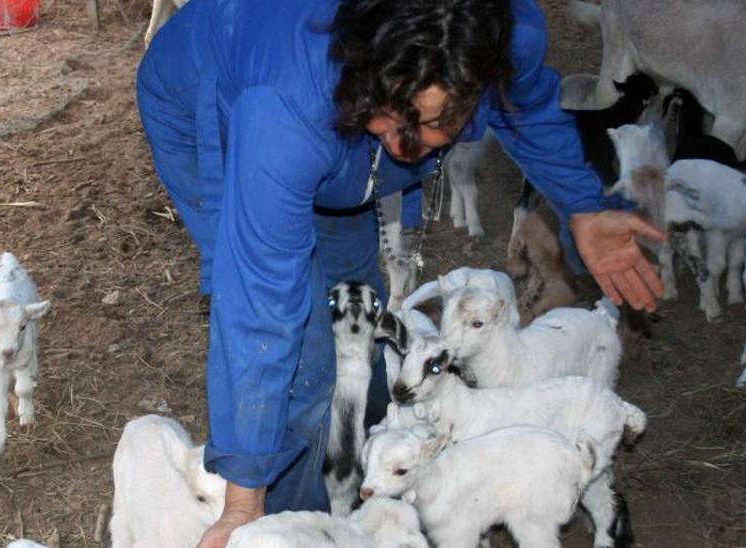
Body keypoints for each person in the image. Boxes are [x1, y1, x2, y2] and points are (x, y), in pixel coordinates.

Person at [135, 0, 667, 544]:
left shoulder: (506, 39)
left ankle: (368, 451)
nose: (400, 144)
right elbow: (259, 307)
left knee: (355, 303)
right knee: (304, 352)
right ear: (369, 71)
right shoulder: (287, 112)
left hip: (337, 125)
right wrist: (243, 504)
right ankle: (289, 525)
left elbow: (525, 110)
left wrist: (583, 204)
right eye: (388, 114)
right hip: (219, 97)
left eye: (432, 123)